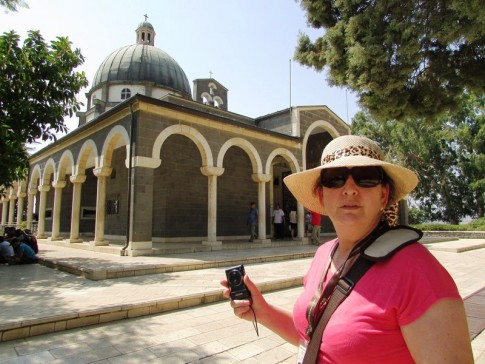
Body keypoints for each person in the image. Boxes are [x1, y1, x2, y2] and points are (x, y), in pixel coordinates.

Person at [221, 135, 473, 363]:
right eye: (336, 178)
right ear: (321, 195)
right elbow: (315, 340)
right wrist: (263, 312)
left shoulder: (417, 270)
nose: (350, 188)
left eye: (365, 178)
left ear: (383, 195)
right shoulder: (324, 254)